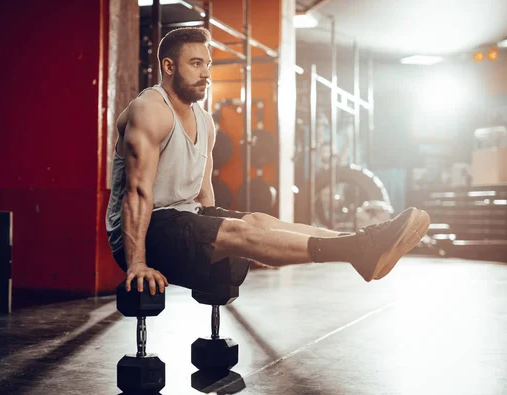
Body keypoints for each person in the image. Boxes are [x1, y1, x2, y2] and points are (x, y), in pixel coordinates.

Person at [105, 27, 430, 295]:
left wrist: (221, 239)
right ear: (169, 67)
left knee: (259, 221)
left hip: (181, 219)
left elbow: (204, 197)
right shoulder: (150, 109)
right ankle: (358, 249)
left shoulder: (204, 121)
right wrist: (136, 263)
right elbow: (136, 194)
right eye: (195, 64)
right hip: (145, 232)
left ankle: (362, 243)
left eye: (208, 65)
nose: (206, 73)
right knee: (237, 230)